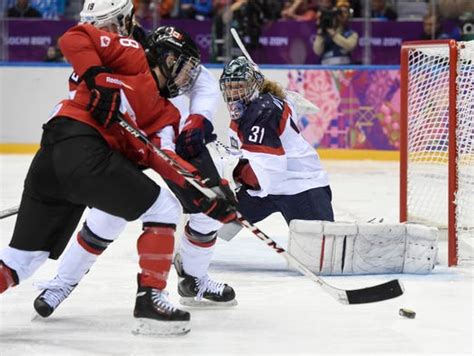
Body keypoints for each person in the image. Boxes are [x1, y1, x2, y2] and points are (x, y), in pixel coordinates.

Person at [0, 16, 236, 336]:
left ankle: (123, 291)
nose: (186, 79)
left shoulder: (165, 114)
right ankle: (150, 298)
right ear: (167, 58)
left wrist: (206, 192)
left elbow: (164, 157)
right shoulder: (132, 55)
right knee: (163, 208)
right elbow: (75, 37)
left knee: (21, 262)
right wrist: (97, 77)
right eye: (183, 68)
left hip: (56, 161)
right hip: (76, 144)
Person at [313, 0, 359, 65]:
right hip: (326, 71)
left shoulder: (352, 34)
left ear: (348, 15)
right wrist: (320, 34)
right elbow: (317, 51)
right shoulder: (325, 32)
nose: (342, 15)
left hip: (345, 69)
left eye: (345, 12)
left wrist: (333, 34)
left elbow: (350, 46)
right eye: (340, 12)